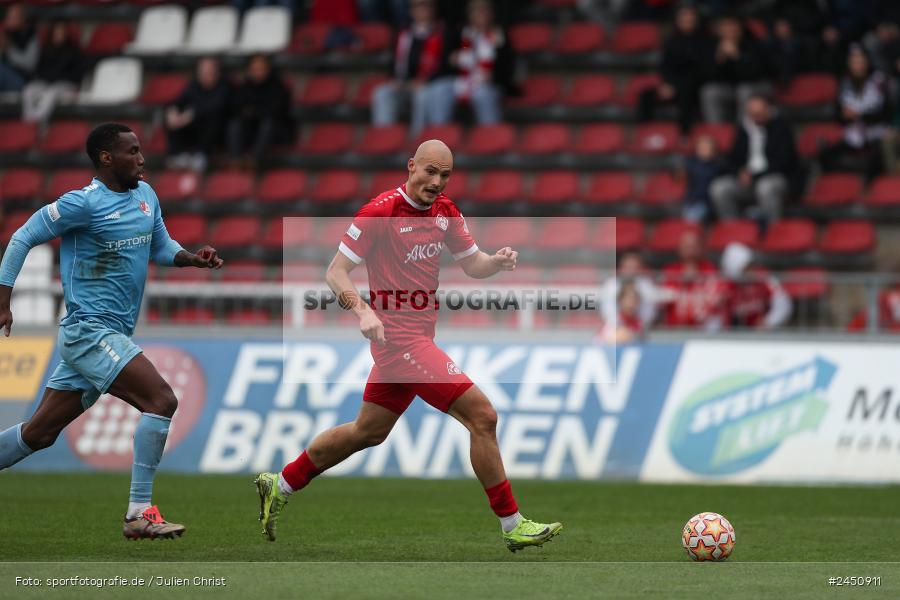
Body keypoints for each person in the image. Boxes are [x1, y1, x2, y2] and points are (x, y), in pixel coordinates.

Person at [254, 140, 563, 552]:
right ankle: (512, 524)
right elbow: (336, 272)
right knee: (483, 416)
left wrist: (496, 261)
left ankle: (281, 483)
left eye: (445, 175)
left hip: (414, 339)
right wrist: (363, 311)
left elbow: (473, 264)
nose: (437, 182)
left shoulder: (445, 212)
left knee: (368, 431)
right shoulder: (379, 212)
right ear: (411, 166)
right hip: (400, 341)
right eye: (430, 171)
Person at [0, 123, 224, 539]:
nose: (142, 159)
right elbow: (22, 237)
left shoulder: (146, 196)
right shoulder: (82, 204)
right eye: (132, 151)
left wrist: (191, 258)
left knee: (39, 434)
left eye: (140, 150)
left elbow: (160, 245)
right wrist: (3, 300)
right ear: (106, 158)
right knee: (161, 399)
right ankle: (138, 514)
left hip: (111, 334)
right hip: (89, 332)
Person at [424, 0, 516, 128]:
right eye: (476, 10)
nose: (480, 14)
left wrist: (493, 75)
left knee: (482, 94)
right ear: (469, 14)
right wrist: (453, 60)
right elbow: (446, 61)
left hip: (489, 83)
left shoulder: (499, 35)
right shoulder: (461, 33)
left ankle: (490, 133)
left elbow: (507, 66)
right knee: (439, 90)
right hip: (462, 80)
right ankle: (439, 133)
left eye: (484, 10)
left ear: (492, 13)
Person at [709, 95, 798, 225]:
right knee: (719, 188)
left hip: (774, 177)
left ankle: (773, 228)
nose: (756, 117)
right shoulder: (744, 129)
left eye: (759, 113)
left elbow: (785, 161)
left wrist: (755, 176)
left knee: (765, 187)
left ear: (768, 110)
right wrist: (739, 172)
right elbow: (732, 158)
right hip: (747, 179)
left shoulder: (781, 127)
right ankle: (733, 229)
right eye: (753, 114)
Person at [371, 0, 445, 135]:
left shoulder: (442, 33)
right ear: (411, 11)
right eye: (418, 6)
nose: (423, 10)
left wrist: (425, 81)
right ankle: (384, 137)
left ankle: (417, 138)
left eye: (426, 5)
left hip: (427, 84)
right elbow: (394, 62)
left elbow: (444, 66)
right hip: (403, 83)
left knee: (422, 95)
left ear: (433, 9)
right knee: (382, 93)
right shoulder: (403, 34)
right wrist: (394, 79)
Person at [820, 46, 890, 179]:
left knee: (876, 160)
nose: (858, 66)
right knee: (826, 155)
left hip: (876, 135)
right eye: (854, 62)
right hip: (853, 135)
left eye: (861, 61)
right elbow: (837, 114)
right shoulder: (844, 83)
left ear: (867, 62)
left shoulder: (879, 81)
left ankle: (868, 188)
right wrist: (844, 115)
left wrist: (860, 115)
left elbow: (885, 114)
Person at [638, 3, 709, 135]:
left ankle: (685, 135)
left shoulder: (705, 41)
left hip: (694, 86)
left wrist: (677, 86)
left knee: (686, 95)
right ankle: (645, 133)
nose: (687, 21)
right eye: (684, 18)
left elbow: (702, 71)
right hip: (672, 85)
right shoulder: (671, 41)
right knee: (645, 95)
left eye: (690, 18)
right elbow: (665, 67)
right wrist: (667, 85)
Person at [227, 54, 294, 171]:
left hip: (273, 131)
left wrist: (254, 111)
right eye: (255, 69)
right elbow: (236, 108)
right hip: (250, 129)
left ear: (268, 69)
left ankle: (254, 160)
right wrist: (256, 111)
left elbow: (277, 111)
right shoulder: (245, 87)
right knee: (234, 124)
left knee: (268, 125)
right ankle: (236, 160)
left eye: (261, 69)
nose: (258, 72)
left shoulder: (277, 87)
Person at [700, 15, 772, 124]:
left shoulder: (753, 44)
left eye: (732, 25)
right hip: (732, 89)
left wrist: (737, 56)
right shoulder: (713, 46)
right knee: (709, 91)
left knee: (744, 90)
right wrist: (719, 60)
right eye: (725, 26)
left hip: (757, 86)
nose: (729, 30)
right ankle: (716, 129)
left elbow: (754, 74)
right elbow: (707, 77)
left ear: (740, 27)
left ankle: (742, 129)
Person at [165, 56, 229, 172]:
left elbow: (216, 107)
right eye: (202, 71)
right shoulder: (194, 85)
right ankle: (178, 155)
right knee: (172, 119)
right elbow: (178, 101)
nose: (204, 75)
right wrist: (173, 111)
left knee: (212, 120)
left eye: (208, 72)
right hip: (194, 128)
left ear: (217, 72)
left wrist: (190, 115)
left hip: (217, 133)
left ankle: (202, 156)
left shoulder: (224, 86)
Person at [660, 228, 726, 330]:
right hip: (675, 330)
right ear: (679, 247)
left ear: (700, 247)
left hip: (704, 330)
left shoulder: (711, 270)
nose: (690, 248)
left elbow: (718, 299)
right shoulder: (670, 271)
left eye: (693, 244)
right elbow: (664, 298)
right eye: (686, 244)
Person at [21, 20, 82, 124]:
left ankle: (38, 123)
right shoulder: (46, 49)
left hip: (65, 84)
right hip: (47, 83)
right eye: (57, 32)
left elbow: (77, 73)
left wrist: (76, 85)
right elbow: (39, 71)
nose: (59, 35)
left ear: (66, 34)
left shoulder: (74, 50)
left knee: (49, 94)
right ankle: (28, 122)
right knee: (28, 90)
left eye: (62, 32)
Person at [720, 242, 791, 329]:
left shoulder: (764, 278)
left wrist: (768, 322)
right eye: (746, 268)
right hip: (735, 334)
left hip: (762, 333)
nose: (751, 270)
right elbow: (717, 316)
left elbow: (783, 304)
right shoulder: (725, 286)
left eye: (751, 265)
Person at [682, 134, 722, 223]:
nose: (704, 150)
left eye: (707, 147)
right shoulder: (690, 163)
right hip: (691, 201)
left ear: (713, 150)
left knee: (691, 218)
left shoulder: (719, 166)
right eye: (701, 147)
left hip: (709, 203)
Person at [0, 3, 38, 93]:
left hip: (23, 80)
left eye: (15, 17)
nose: (10, 20)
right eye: (9, 17)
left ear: (23, 19)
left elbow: (29, 65)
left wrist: (9, 49)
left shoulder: (31, 36)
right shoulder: (5, 34)